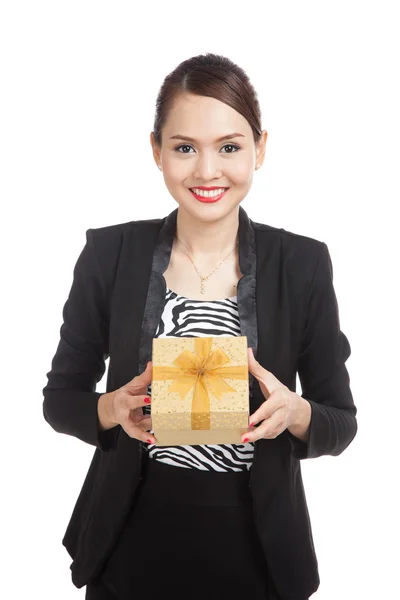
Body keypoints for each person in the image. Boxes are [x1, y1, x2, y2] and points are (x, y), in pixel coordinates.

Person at [42, 53, 358, 600]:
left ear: (260, 149)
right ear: (156, 151)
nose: (207, 171)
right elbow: (59, 398)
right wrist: (110, 408)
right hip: (128, 545)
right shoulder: (110, 253)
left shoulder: (302, 263)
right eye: (184, 147)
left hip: (258, 554)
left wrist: (297, 412)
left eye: (230, 147)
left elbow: (342, 421)